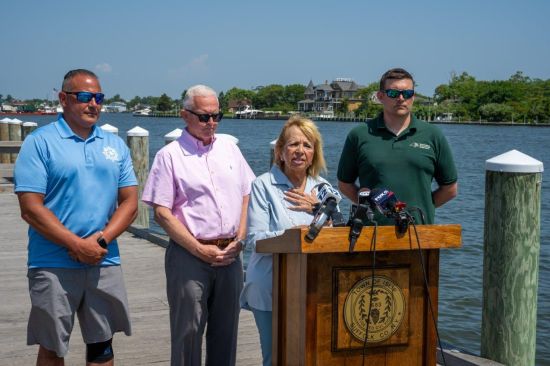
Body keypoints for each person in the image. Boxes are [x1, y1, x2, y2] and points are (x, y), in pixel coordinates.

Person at [14, 69, 138, 366]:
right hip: (52, 263)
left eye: (98, 97)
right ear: (63, 98)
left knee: (102, 348)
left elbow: (130, 203)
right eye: (84, 97)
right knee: (52, 348)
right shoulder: (40, 142)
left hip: (104, 259)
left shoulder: (115, 144)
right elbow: (30, 207)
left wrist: (101, 240)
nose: (93, 104)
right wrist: (75, 244)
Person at [141, 85, 255, 366]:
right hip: (189, 256)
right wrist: (197, 249)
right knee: (188, 334)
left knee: (226, 334)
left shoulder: (229, 148)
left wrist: (240, 240)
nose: (212, 123)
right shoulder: (169, 156)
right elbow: (162, 213)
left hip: (230, 255)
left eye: (217, 116)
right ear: (185, 115)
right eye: (204, 117)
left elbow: (247, 196)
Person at [241, 116, 333, 366]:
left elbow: (337, 230)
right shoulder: (262, 185)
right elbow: (256, 240)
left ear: (314, 153)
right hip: (271, 287)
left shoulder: (323, 188)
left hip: (313, 286)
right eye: (293, 145)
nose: (300, 151)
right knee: (277, 357)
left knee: (312, 356)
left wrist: (318, 209)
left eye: (307, 145)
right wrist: (297, 235)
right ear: (280, 151)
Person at [337, 67, 457, 225]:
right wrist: (370, 207)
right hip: (371, 235)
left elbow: (450, 189)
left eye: (407, 93)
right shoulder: (359, 135)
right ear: (381, 96)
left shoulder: (433, 135)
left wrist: (424, 207)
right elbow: (344, 184)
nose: (401, 98)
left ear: (412, 97)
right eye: (393, 93)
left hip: (420, 237)